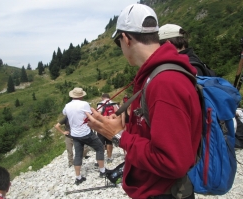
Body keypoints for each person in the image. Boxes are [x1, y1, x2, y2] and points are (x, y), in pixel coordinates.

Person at [85, 4, 201, 199]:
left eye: (117, 42)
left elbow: (172, 162)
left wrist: (118, 136)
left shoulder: (164, 83)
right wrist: (125, 126)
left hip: (163, 193)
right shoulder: (156, 76)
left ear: (125, 38)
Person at [62, 87, 107, 185]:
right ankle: (102, 171)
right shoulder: (84, 104)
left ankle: (78, 178)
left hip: (74, 135)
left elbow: (64, 113)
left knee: (78, 154)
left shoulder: (67, 105)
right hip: (86, 133)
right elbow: (90, 115)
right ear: (81, 95)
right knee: (99, 147)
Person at [97, 93, 119, 163]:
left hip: (103, 126)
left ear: (102, 97)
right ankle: (109, 158)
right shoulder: (114, 103)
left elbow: (98, 115)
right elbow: (118, 114)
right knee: (109, 142)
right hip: (111, 126)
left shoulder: (101, 104)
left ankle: (101, 159)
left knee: (101, 142)